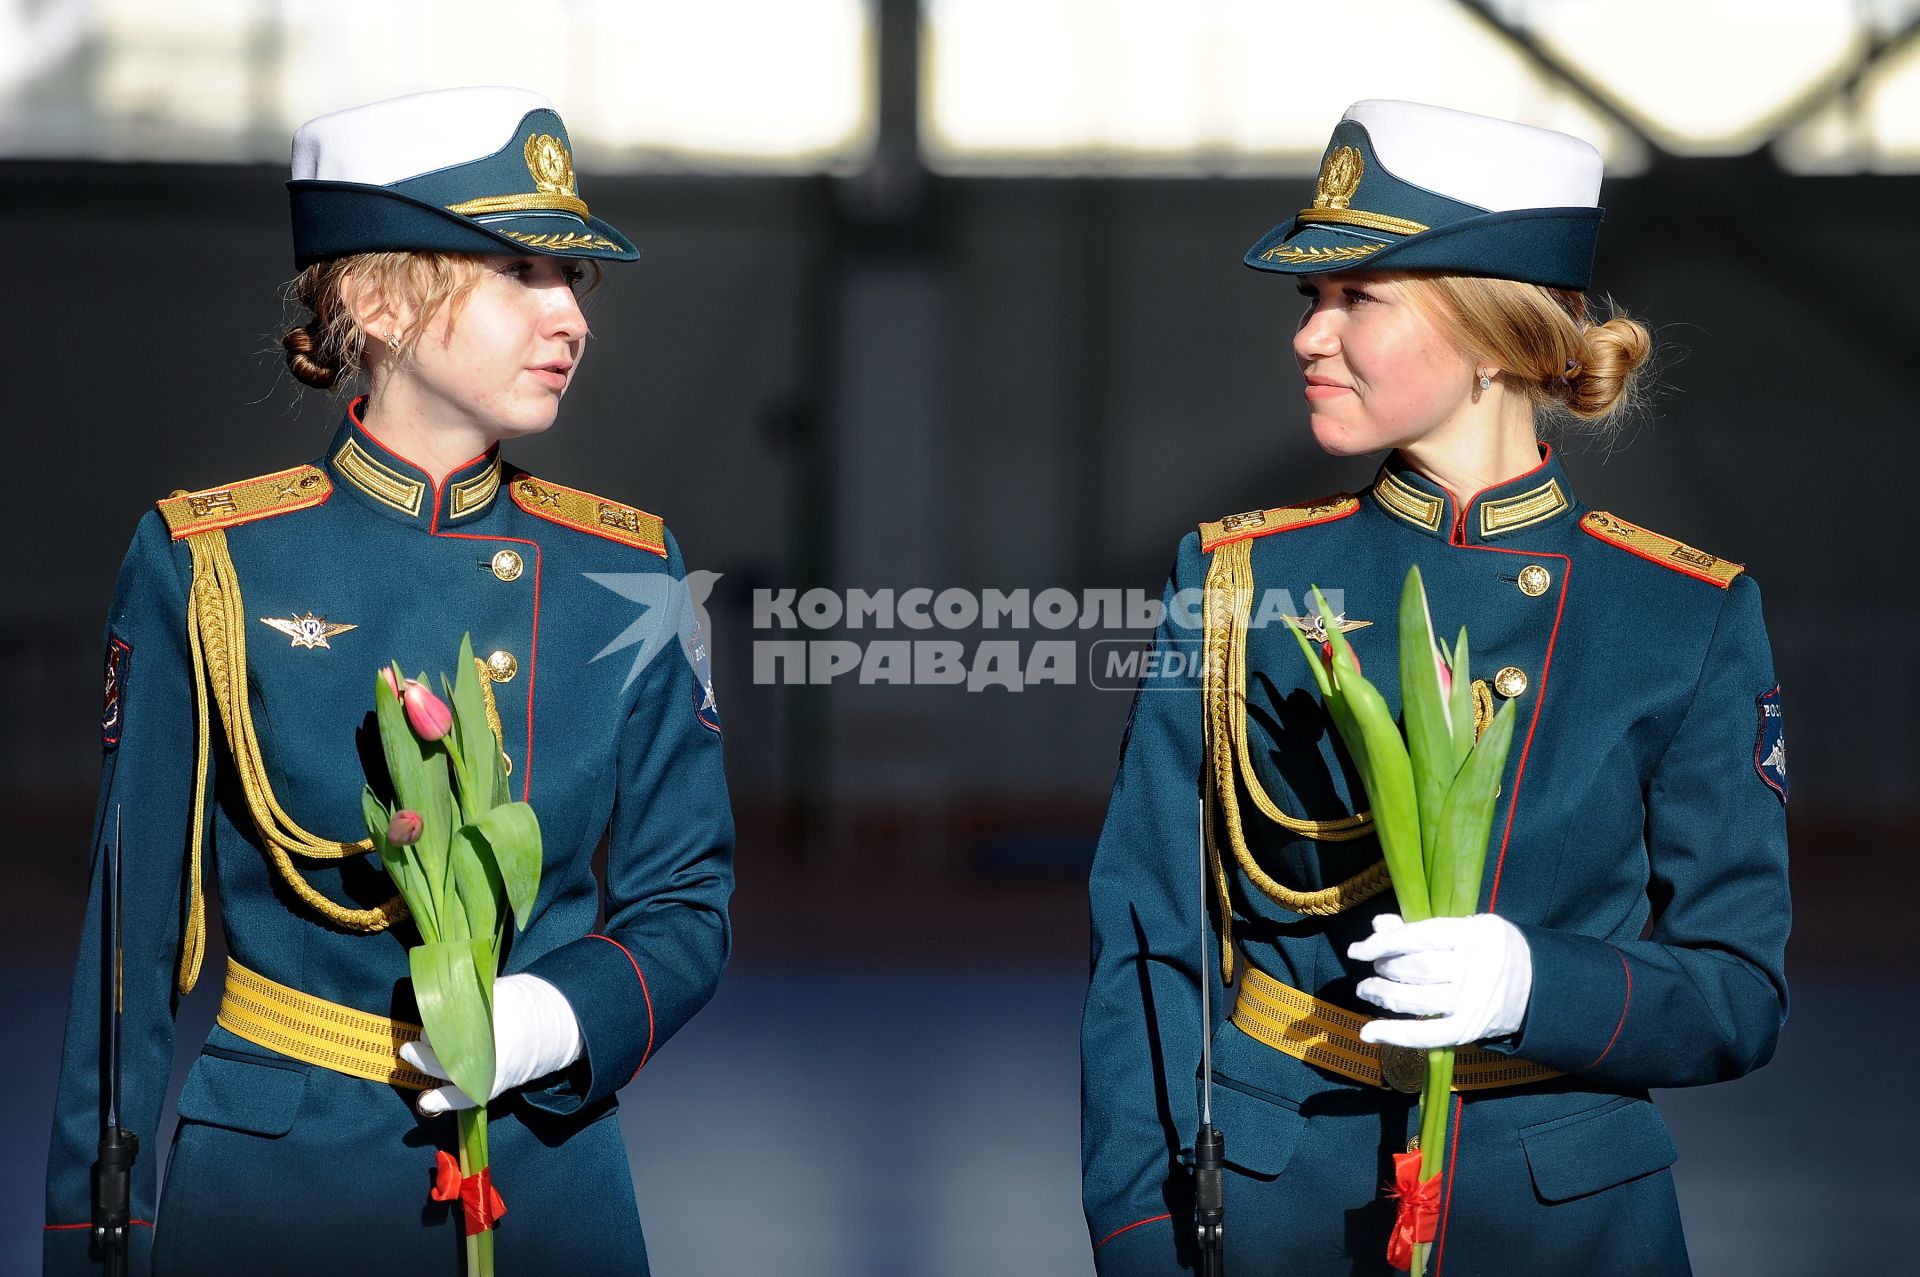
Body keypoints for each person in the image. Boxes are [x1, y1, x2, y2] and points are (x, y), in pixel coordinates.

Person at [1080, 100, 1790, 1275]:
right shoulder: (1236, 578)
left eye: (1359, 296)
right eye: (1311, 301)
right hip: (1278, 1201)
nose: (1310, 336)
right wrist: (1143, 1234)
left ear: (1495, 334)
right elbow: (1150, 941)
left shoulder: (1683, 615)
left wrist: (1535, 979)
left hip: (1566, 1225)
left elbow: (1739, 989)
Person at [44, 87, 733, 1275]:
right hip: (274, 1188)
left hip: (546, 1178)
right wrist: (92, 1233)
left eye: (577, 280)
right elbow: (129, 946)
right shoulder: (215, 562)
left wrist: (553, 1018)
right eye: (522, 268)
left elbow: (689, 902)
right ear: (376, 296)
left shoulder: (630, 570)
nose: (570, 315)